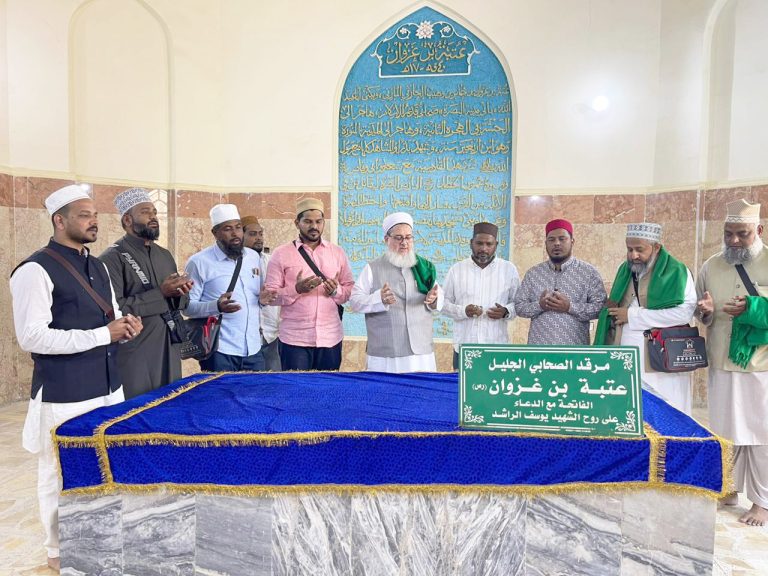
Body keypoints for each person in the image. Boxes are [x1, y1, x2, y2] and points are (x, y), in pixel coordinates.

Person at [10, 184, 142, 571]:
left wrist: (124, 325)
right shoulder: (34, 270)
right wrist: (105, 334)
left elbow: (110, 314)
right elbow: (31, 337)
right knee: (58, 469)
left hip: (108, 386)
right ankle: (57, 548)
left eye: (95, 215)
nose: (93, 221)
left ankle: (99, 535)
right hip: (65, 392)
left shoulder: (97, 265)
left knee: (103, 463)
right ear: (60, 220)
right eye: (84, 215)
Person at [696, 199, 768, 526]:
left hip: (759, 363)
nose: (734, 241)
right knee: (726, 430)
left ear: (760, 230)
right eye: (729, 234)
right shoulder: (711, 266)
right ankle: (729, 487)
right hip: (721, 359)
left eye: (743, 234)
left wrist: (753, 308)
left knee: (759, 434)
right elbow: (701, 310)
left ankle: (762, 501)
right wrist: (706, 313)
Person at [100, 188, 193, 398]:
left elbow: (179, 302)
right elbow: (115, 309)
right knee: (137, 409)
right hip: (135, 351)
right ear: (127, 220)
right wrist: (161, 293)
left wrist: (180, 293)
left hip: (168, 345)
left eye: (154, 212)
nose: (153, 217)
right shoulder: (112, 258)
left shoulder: (164, 255)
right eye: (145, 212)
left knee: (169, 404)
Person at [594, 223, 696, 414]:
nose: (633, 255)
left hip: (661, 358)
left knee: (665, 411)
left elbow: (684, 313)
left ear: (656, 247)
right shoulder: (625, 270)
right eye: (629, 249)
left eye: (639, 249)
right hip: (625, 356)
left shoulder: (677, 272)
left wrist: (632, 316)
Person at [264, 198, 354, 371]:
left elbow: (349, 289)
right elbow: (269, 296)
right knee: (296, 391)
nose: (314, 226)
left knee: (326, 391)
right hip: (294, 339)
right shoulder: (281, 254)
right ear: (297, 223)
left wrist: (336, 291)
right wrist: (296, 289)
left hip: (330, 338)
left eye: (319, 221)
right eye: (308, 221)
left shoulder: (337, 253)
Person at [349, 212, 442, 373]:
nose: (404, 243)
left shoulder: (425, 268)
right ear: (386, 239)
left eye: (408, 237)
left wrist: (434, 300)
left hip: (420, 354)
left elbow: (439, 300)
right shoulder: (372, 268)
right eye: (398, 238)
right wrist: (379, 298)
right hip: (386, 354)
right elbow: (355, 301)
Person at [185, 204, 272, 371]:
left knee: (254, 396)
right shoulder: (199, 262)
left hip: (253, 349)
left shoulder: (253, 257)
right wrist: (216, 306)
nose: (235, 234)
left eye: (238, 228)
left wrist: (263, 300)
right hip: (219, 350)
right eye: (228, 229)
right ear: (215, 233)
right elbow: (187, 308)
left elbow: (256, 298)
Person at [514, 219, 606, 345]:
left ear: (572, 241)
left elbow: (601, 308)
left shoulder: (589, 273)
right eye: (551, 240)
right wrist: (540, 305)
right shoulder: (533, 273)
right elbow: (519, 307)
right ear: (545, 243)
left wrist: (569, 307)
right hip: (538, 350)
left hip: (574, 350)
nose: (557, 244)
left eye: (562, 239)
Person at [442, 222, 520, 369]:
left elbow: (518, 304)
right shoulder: (456, 270)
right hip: (464, 347)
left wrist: (505, 312)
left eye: (489, 244)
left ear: (496, 245)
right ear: (471, 243)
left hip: (497, 348)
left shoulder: (508, 269)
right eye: (479, 243)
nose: (484, 248)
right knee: (462, 390)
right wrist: (463, 311)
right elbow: (443, 304)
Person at [242, 215, 281, 371]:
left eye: (260, 234)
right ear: (241, 235)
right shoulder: (235, 264)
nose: (258, 238)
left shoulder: (272, 261)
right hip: (246, 338)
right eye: (252, 234)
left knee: (274, 384)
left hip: (272, 335)